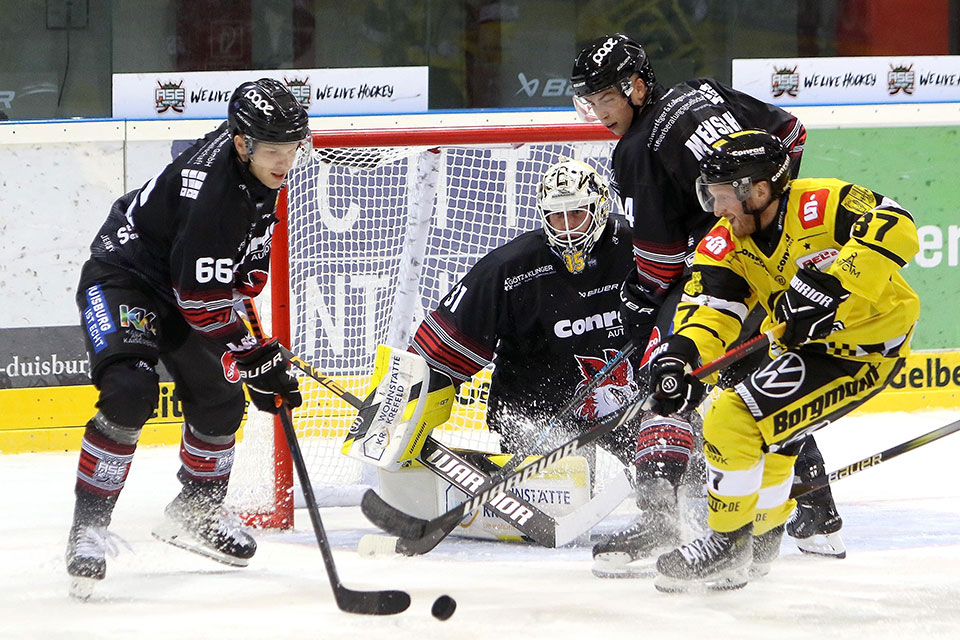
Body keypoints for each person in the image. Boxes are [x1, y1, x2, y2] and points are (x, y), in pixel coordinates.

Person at [570, 33, 846, 565]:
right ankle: (819, 517)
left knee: (668, 371)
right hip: (771, 260)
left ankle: (659, 522)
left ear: (636, 86)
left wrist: (640, 299)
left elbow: (661, 260)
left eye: (606, 98)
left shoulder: (635, 149)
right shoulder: (703, 90)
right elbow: (790, 133)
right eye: (591, 100)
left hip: (722, 275)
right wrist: (763, 218)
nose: (599, 112)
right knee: (760, 383)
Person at [642, 129, 918, 592]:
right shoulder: (726, 241)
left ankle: (728, 546)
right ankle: (763, 541)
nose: (718, 209)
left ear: (761, 189)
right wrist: (681, 357)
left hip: (865, 351)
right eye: (710, 195)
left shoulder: (822, 203)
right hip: (809, 350)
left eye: (724, 194)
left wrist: (839, 281)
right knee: (773, 440)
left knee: (730, 418)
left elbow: (897, 223)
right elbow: (710, 309)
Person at [65, 78, 309, 598]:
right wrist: (255, 358)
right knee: (130, 392)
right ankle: (87, 529)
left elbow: (233, 284)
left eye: (292, 148)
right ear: (242, 143)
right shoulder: (217, 193)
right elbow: (201, 300)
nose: (284, 161)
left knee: (221, 400)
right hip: (126, 277)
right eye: (273, 150)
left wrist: (258, 357)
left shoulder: (254, 170)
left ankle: (196, 512)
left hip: (181, 286)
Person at [409, 159, 698, 572]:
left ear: (600, 207)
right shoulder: (510, 270)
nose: (567, 227)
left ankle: (670, 522)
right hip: (539, 411)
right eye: (556, 216)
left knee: (691, 472)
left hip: (630, 402)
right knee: (563, 499)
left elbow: (699, 305)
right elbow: (436, 355)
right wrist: (402, 409)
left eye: (576, 213)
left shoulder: (644, 248)